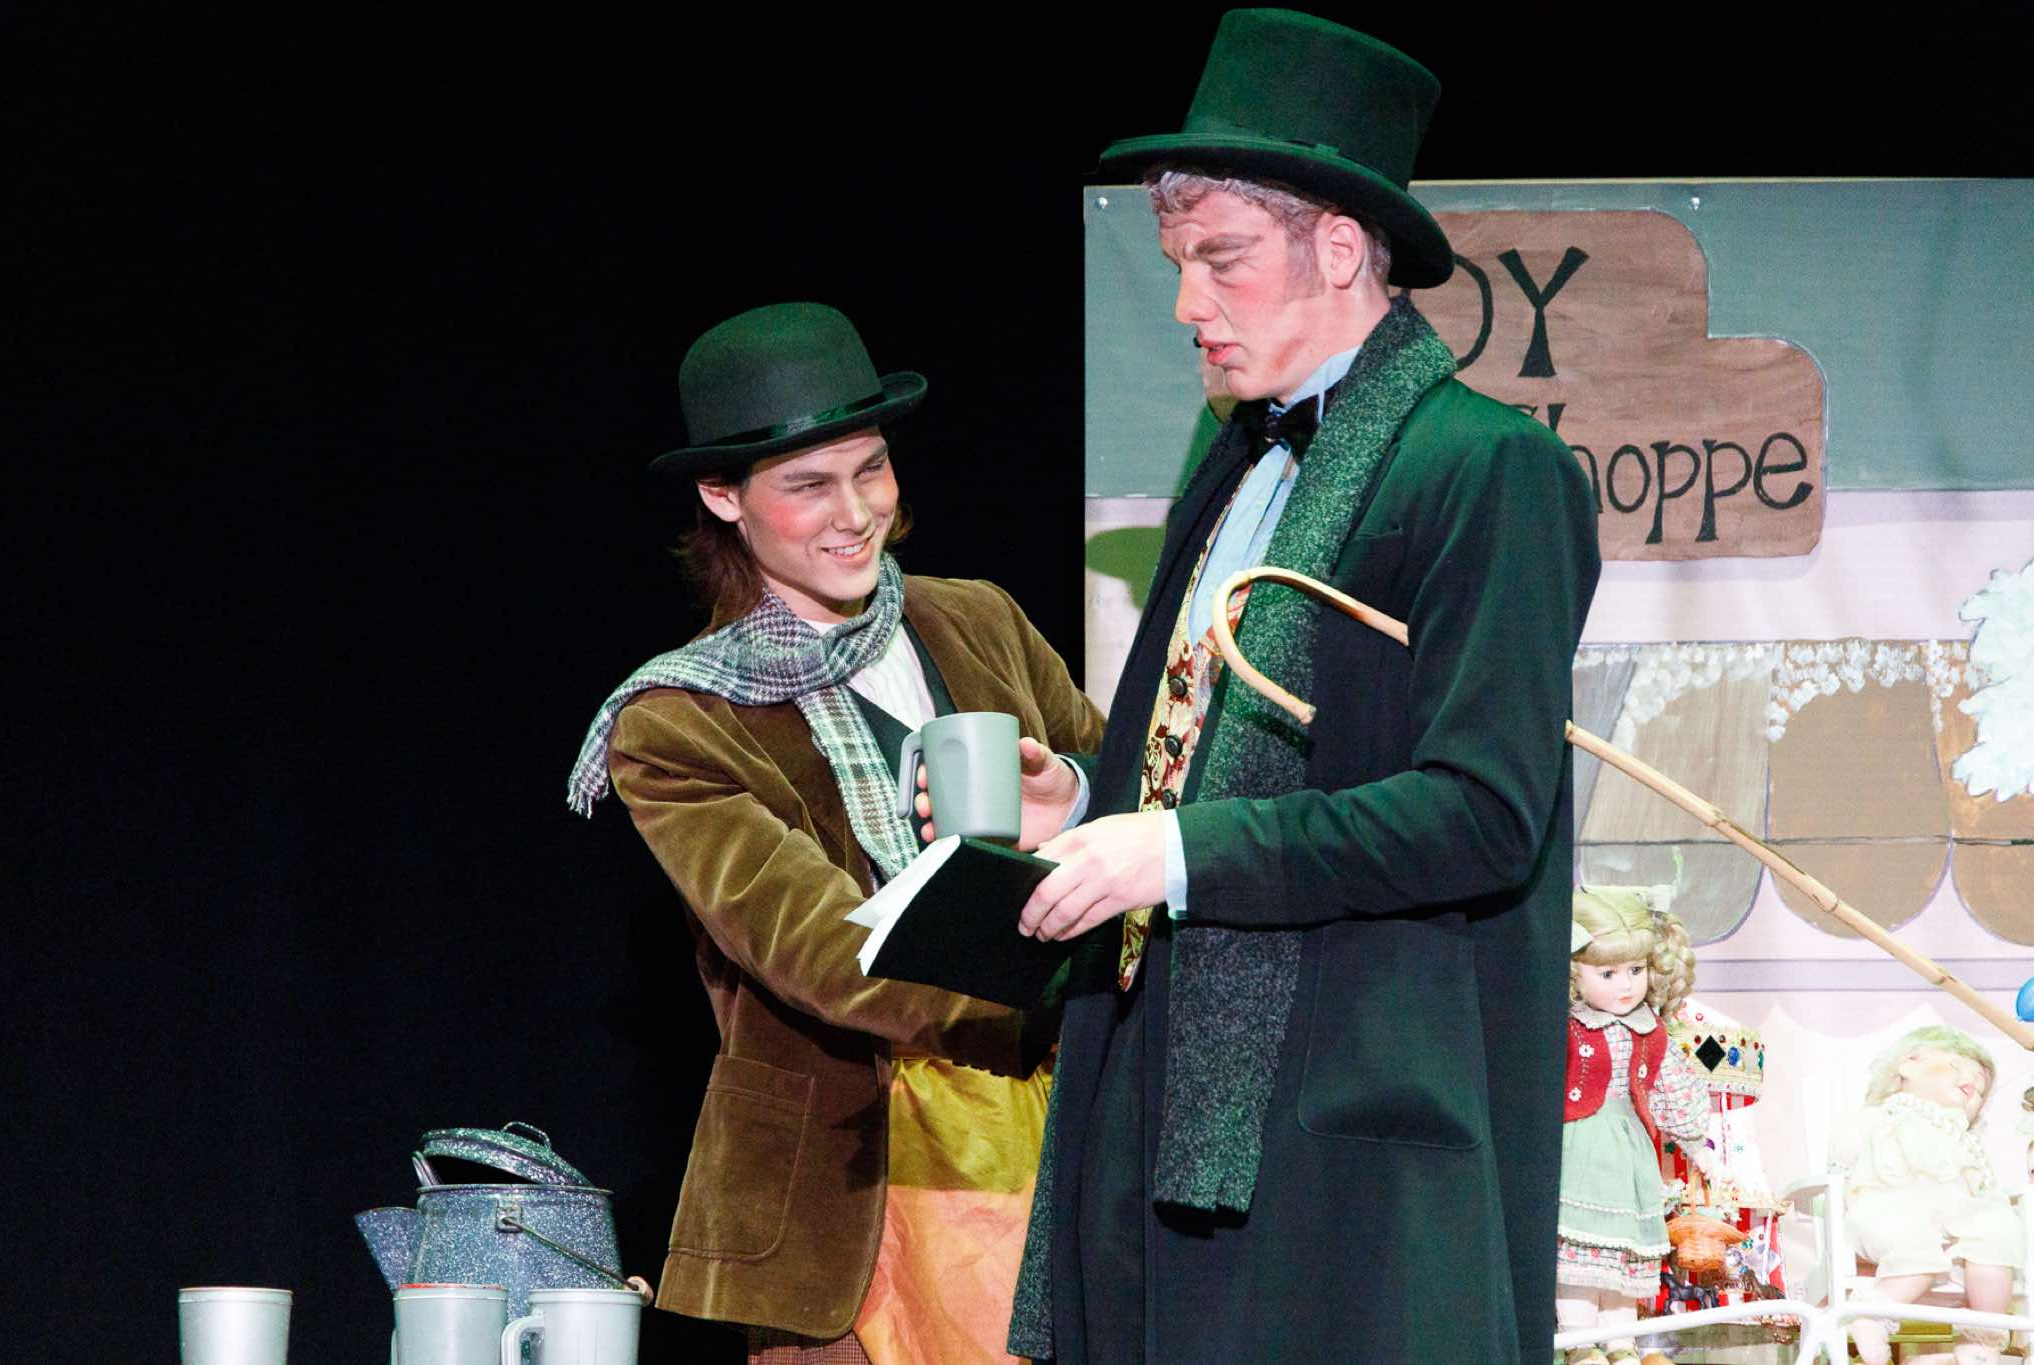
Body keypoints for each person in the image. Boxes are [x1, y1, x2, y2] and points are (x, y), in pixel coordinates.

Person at [1004, 11, 1601, 1362]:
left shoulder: (1486, 468)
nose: (1186, 305)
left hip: (1342, 1152)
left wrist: (1175, 853)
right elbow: (1213, 753)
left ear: (1338, 247)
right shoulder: (1232, 460)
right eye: (1178, 264)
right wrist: (1091, 809)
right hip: (1160, 1109)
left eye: (1221, 259)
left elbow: (1481, 813)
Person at [568, 302, 1106, 1364]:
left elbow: (1136, 797)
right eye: (809, 484)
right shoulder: (677, 721)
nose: (856, 513)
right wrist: (1056, 958)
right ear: (723, 497)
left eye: (872, 469)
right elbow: (819, 948)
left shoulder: (979, 621)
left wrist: (1078, 799)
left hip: (1055, 1149)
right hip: (848, 1196)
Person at [1560, 885, 1707, 1365]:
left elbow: (1670, 1087)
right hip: (1578, 1147)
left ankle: (1622, 1344)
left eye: (1636, 970)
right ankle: (1580, 1344)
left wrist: (1694, 1140)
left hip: (1631, 1154)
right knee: (1581, 1259)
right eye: (1607, 973)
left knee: (1624, 1255)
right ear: (1574, 975)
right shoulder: (1568, 1026)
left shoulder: (1650, 1030)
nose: (1625, 984)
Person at [1834, 1025, 2023, 1365]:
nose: (1974, 1084)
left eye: (1981, 1091)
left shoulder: (1960, 1136)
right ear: (1908, 1064)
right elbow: (1844, 1151)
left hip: (1953, 1218)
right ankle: (1874, 1312)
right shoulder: (1883, 1115)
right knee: (1916, 1242)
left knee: (1997, 1232)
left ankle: (1983, 1336)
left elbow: (1975, 1186)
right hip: (1887, 1206)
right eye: (1957, 1066)